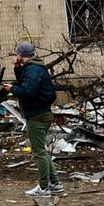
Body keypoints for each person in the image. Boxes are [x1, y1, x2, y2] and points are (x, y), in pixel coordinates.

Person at [10, 41, 61, 197]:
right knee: (43, 151)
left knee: (39, 152)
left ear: (21, 54)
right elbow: (25, 82)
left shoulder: (32, 70)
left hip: (36, 115)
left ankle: (44, 188)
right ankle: (55, 183)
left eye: (18, 54)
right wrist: (17, 68)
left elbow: (27, 91)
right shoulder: (35, 67)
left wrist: (11, 89)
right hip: (42, 113)